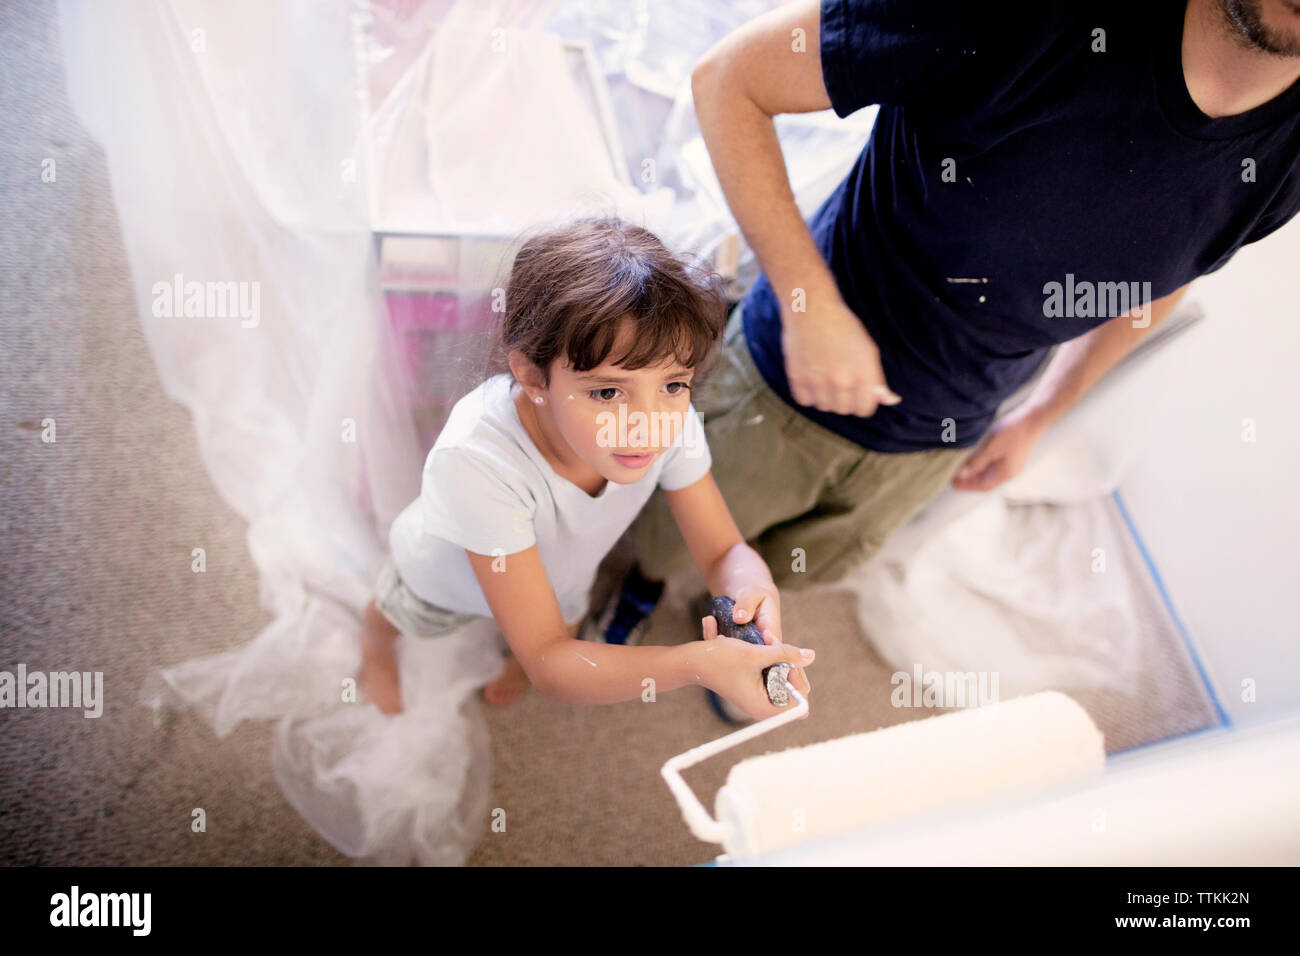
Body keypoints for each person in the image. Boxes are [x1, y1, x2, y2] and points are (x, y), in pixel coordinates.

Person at [593, 0, 1300, 643]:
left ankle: (732, 619)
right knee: (677, 534)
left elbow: (1170, 276)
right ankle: (645, 585)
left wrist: (1045, 413)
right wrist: (813, 305)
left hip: (944, 435)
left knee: (801, 564)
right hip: (786, 389)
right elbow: (728, 78)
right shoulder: (1025, 17)